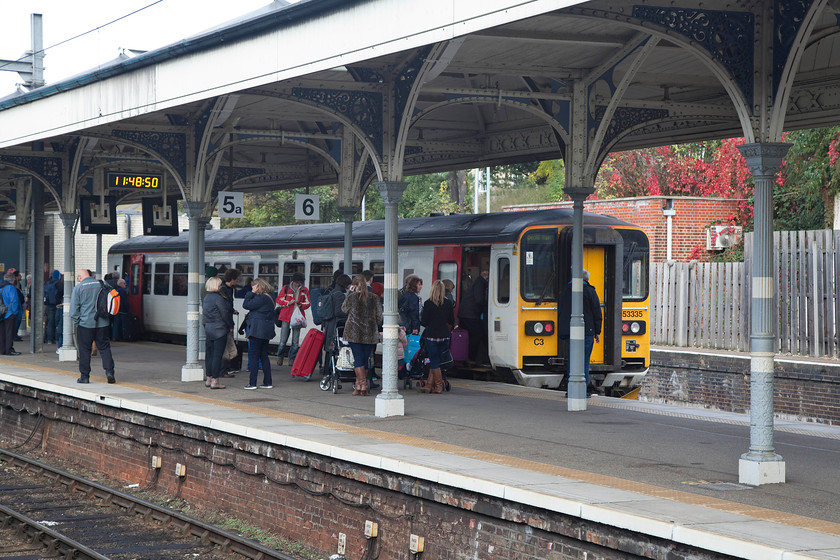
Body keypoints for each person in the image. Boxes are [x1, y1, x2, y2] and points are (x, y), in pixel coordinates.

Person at [558, 269, 602, 396]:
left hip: (569, 331)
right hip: (586, 331)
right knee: (584, 360)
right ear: (587, 279)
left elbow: (561, 310)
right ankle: (581, 390)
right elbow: (597, 312)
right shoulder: (589, 291)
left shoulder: (566, 291)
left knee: (573, 359)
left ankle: (571, 388)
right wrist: (597, 331)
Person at [70, 268, 116, 384]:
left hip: (85, 325)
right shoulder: (103, 284)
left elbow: (74, 311)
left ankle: (85, 377)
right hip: (103, 324)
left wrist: (78, 321)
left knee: (85, 350)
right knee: (104, 348)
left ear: (80, 277)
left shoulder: (79, 288)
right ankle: (109, 372)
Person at [341, 274, 382, 396]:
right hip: (369, 334)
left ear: (354, 286)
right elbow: (379, 317)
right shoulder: (374, 298)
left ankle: (362, 385)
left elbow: (344, 309)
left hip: (354, 333)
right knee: (365, 359)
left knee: (358, 359)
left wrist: (349, 293)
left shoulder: (352, 297)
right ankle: (359, 385)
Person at [420, 280, 455, 394]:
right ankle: (429, 385)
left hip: (432, 336)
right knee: (437, 361)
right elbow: (451, 320)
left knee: (434, 361)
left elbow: (424, 322)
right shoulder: (448, 303)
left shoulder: (428, 303)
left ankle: (438, 386)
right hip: (445, 336)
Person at [242, 278, 276, 390]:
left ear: (258, 286)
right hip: (266, 330)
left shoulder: (261, 298)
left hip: (257, 331)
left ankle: (252, 383)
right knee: (264, 356)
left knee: (254, 356)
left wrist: (251, 293)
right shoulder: (270, 297)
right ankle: (267, 382)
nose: (252, 288)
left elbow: (246, 305)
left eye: (253, 286)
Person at [203, 276, 233, 389]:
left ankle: (208, 379)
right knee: (217, 356)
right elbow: (224, 314)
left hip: (209, 328)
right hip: (219, 329)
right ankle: (215, 381)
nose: (221, 286)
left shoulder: (207, 297)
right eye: (220, 285)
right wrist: (230, 325)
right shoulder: (218, 298)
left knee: (209, 355)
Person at [275, 272, 310, 367]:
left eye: (300, 283)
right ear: (293, 281)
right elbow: (278, 300)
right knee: (283, 341)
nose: (298, 284)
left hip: (297, 318)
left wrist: (301, 305)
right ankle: (280, 356)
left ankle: (292, 359)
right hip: (286, 317)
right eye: (297, 282)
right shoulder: (286, 288)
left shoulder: (304, 290)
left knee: (295, 341)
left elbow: (308, 303)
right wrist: (288, 303)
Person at [458, 269, 488, 364]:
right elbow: (479, 299)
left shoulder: (478, 282)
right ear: (486, 276)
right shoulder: (480, 283)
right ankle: (470, 358)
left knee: (473, 336)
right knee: (477, 334)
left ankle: (468, 357)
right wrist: (488, 306)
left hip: (466, 314)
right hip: (470, 315)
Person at [321, 274, 351, 356]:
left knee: (329, 349)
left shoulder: (333, 292)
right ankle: (331, 367)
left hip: (329, 323)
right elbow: (338, 312)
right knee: (333, 349)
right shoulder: (340, 295)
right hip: (335, 325)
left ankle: (326, 367)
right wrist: (349, 313)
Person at [0, 270, 22, 355]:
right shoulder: (11, 288)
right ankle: (9, 350)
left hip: (0, 313)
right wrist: (14, 312)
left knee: (1, 332)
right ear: (13, 280)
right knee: (9, 332)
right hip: (9, 313)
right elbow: (14, 301)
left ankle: (2, 350)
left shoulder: (0, 287)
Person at [44, 269, 63, 344]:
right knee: (57, 322)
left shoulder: (47, 283)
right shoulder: (59, 283)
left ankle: (48, 339)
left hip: (48, 304)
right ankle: (56, 338)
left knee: (49, 322)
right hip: (57, 305)